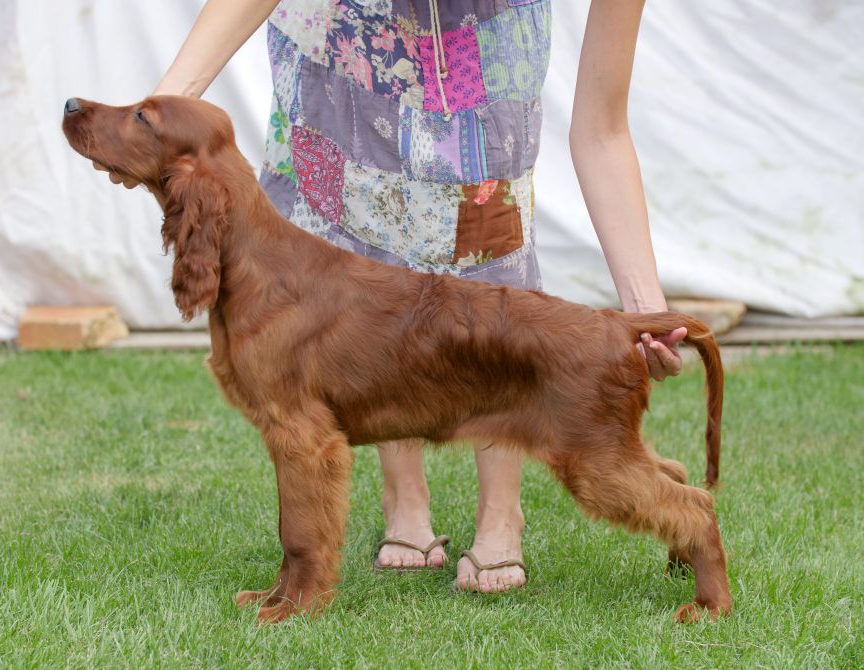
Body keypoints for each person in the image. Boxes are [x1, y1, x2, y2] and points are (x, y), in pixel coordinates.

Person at [97, 0, 685, 593]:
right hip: (343, 31)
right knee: (352, 284)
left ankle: (501, 514)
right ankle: (405, 501)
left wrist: (644, 305)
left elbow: (603, 129)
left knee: (488, 268)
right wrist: (160, 120)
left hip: (483, 53)